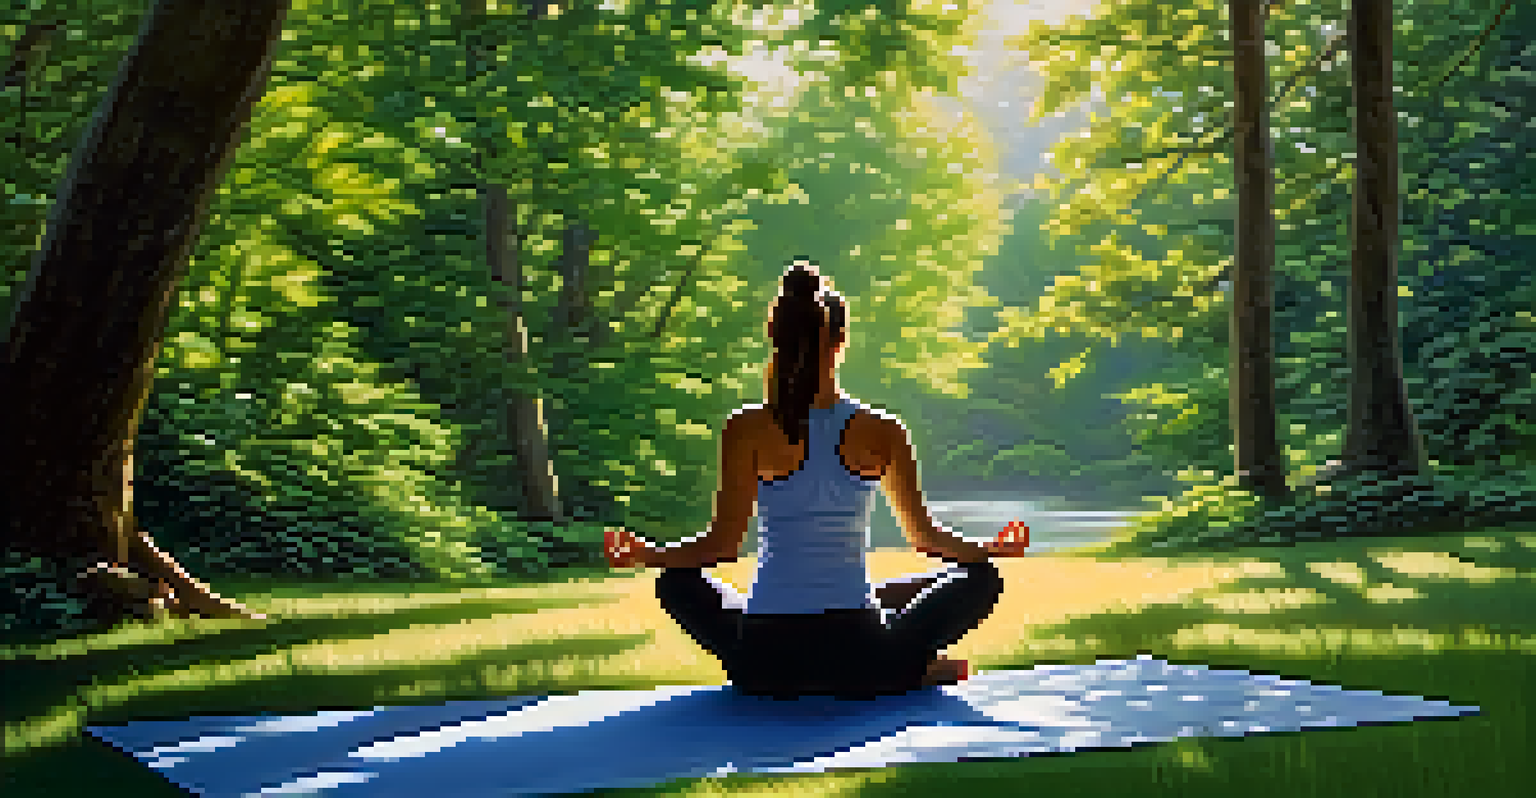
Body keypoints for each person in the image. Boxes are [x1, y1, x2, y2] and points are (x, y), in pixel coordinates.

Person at [604, 259, 1029, 699]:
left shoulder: (746, 428)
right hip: (860, 655)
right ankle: (902, 670)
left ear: (776, 338)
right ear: (841, 341)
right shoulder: (882, 430)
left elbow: (721, 546)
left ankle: (877, 670)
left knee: (675, 579)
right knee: (979, 579)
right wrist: (987, 549)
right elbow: (924, 538)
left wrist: (647, 555)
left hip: (764, 663)